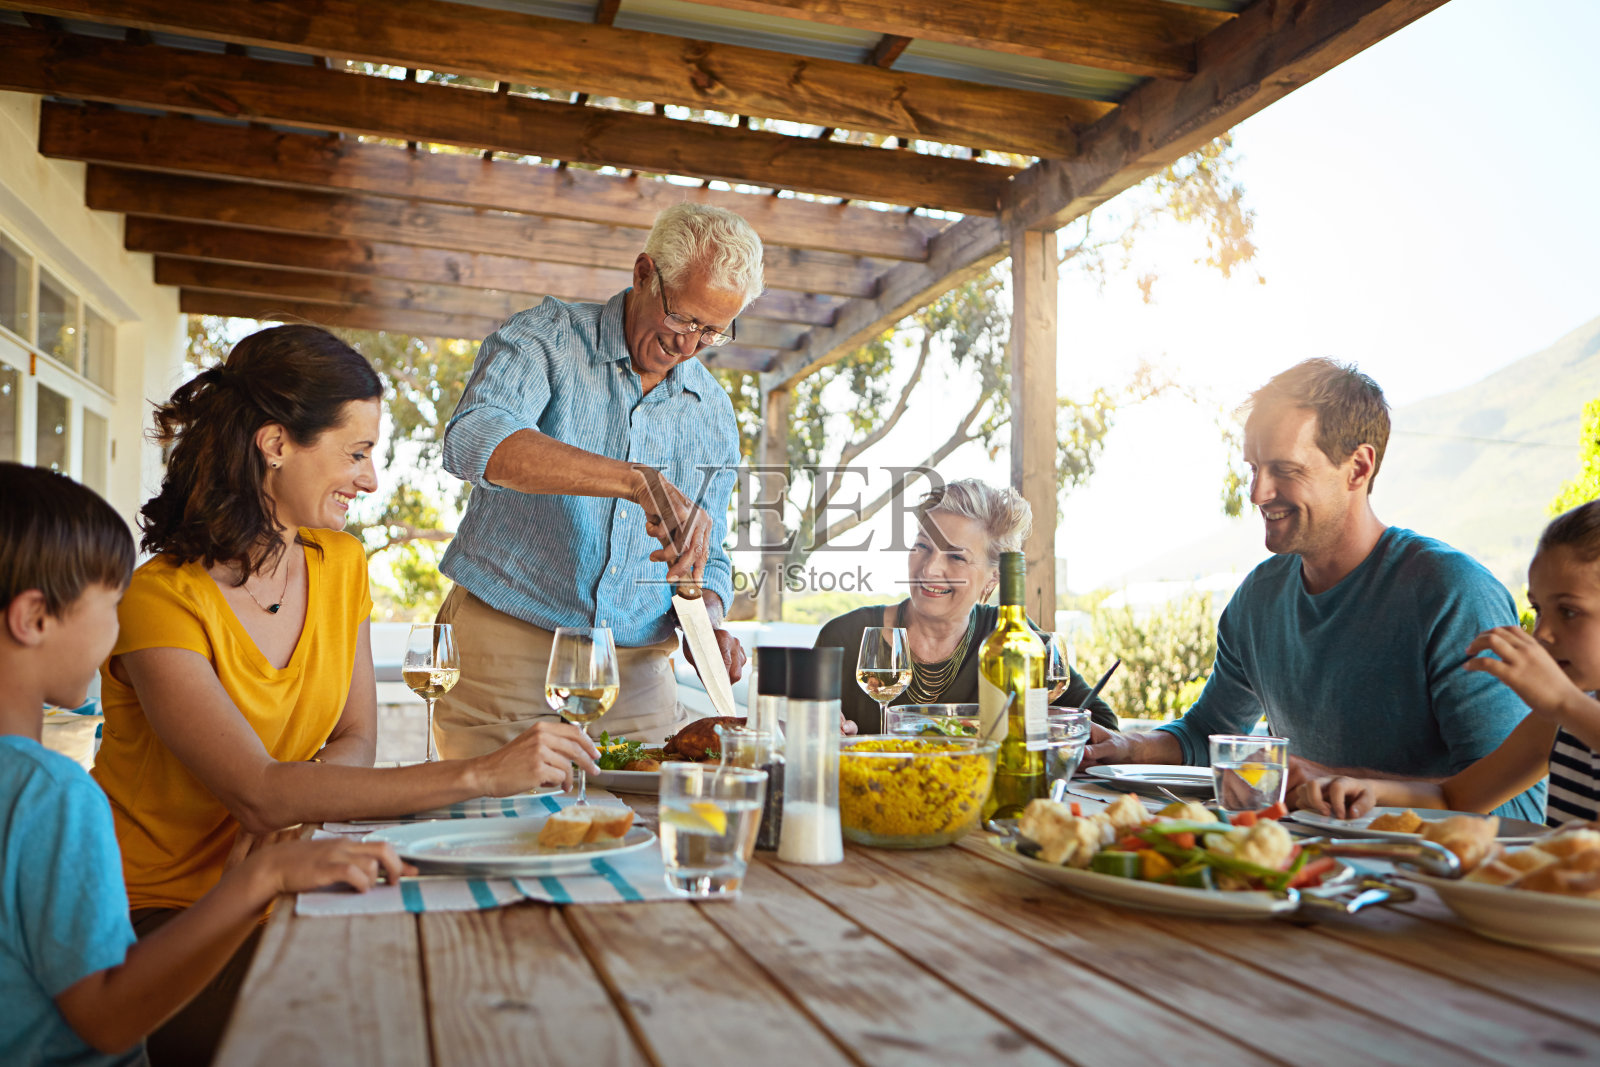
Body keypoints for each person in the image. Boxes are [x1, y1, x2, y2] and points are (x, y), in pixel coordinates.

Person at [92, 326, 597, 1064]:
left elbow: (355, 735)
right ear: (275, 444)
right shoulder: (159, 599)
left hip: (289, 879)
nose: (369, 480)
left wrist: (300, 813)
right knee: (347, 1032)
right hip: (159, 912)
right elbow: (260, 793)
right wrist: (480, 773)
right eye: (356, 452)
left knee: (479, 989)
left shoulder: (340, 563)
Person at [0, 463, 406, 1067]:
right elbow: (108, 1019)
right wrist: (260, 880)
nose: (118, 631)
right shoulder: (53, 796)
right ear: (34, 618)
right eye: (111, 604)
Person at [1083, 358, 1544, 822]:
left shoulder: (1453, 594)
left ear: (1358, 468)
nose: (1257, 493)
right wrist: (1127, 745)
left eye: (1284, 469)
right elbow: (1206, 734)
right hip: (1303, 870)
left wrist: (1327, 777)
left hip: (1427, 880)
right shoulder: (1258, 600)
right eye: (1254, 467)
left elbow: (1517, 807)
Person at [434, 203, 760, 754]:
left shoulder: (713, 410)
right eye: (682, 318)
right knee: (498, 829)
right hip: (507, 653)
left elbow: (713, 550)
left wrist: (707, 614)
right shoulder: (548, 337)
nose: (688, 345)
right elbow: (474, 440)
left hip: (635, 677)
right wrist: (635, 480)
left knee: (647, 830)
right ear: (642, 274)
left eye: (711, 332)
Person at [1292, 502, 1600, 826]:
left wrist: (1563, 702)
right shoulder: (1558, 721)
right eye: (1538, 610)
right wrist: (1369, 790)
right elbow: (1455, 798)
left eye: (1568, 611)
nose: (1542, 634)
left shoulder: (1566, 711)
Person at [815, 478, 1117, 734]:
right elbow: (792, 736)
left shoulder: (1010, 641)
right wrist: (819, 735)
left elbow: (1102, 724)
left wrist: (1030, 724)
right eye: (922, 546)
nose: (930, 569)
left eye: (956, 557)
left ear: (992, 578)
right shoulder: (844, 638)